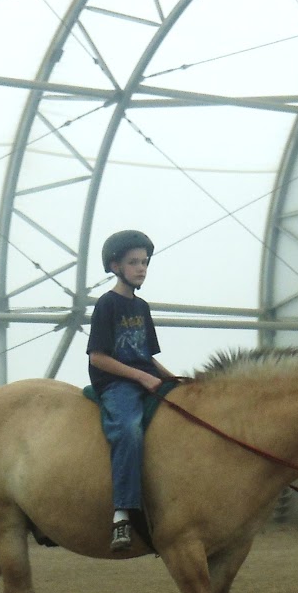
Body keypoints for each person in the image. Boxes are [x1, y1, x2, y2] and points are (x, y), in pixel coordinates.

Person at [87, 229, 174, 553]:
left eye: (145, 262)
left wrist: (172, 379)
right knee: (129, 430)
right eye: (134, 262)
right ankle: (122, 513)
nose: (141, 268)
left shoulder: (142, 307)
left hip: (144, 377)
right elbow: (98, 357)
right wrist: (140, 377)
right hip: (117, 384)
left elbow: (146, 355)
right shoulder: (107, 305)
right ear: (115, 266)